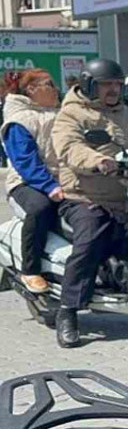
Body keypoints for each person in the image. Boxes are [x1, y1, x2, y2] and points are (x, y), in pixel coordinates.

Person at [51, 59, 128, 348]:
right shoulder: (71, 115)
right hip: (84, 197)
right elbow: (69, 148)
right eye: (107, 84)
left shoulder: (127, 115)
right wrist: (98, 161)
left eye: (118, 84)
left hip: (124, 196)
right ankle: (67, 312)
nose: (114, 89)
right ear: (90, 85)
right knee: (89, 241)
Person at [1, 69, 64, 294]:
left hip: (63, 180)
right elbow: (25, 163)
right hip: (27, 184)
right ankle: (31, 269)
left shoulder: (61, 113)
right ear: (31, 90)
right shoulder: (20, 120)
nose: (55, 89)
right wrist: (50, 186)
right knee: (40, 207)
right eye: (49, 84)